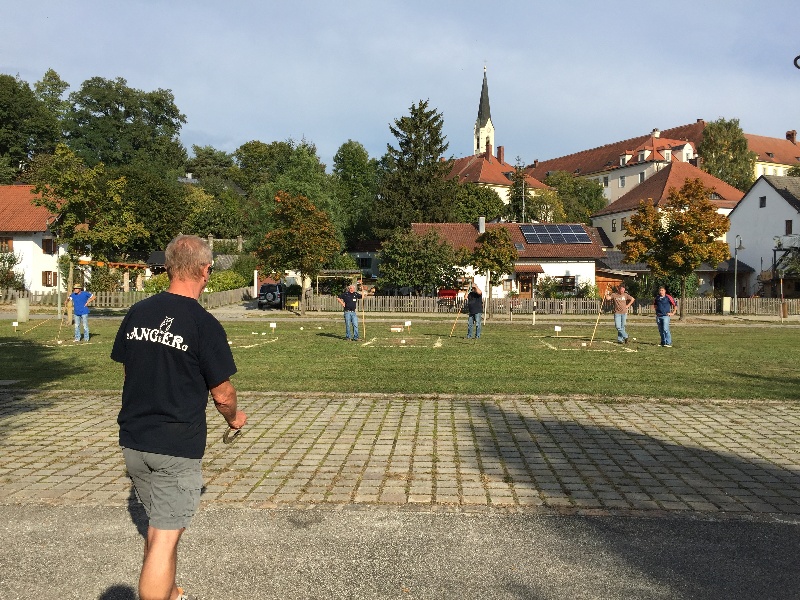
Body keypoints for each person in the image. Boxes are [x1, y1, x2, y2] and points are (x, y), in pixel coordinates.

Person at [111, 235, 247, 600]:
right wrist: (234, 419)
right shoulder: (203, 324)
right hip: (176, 445)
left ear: (168, 267)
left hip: (135, 441)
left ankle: (170, 592)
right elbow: (223, 394)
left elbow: (129, 372)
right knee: (165, 537)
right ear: (206, 270)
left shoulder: (138, 312)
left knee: (158, 531)